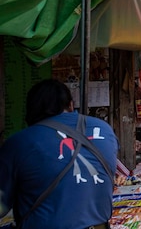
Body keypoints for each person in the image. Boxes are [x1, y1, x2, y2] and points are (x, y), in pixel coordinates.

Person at [0, 79, 118, 229]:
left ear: (31, 111)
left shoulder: (19, 142)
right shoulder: (105, 129)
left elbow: (1, 206)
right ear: (70, 104)